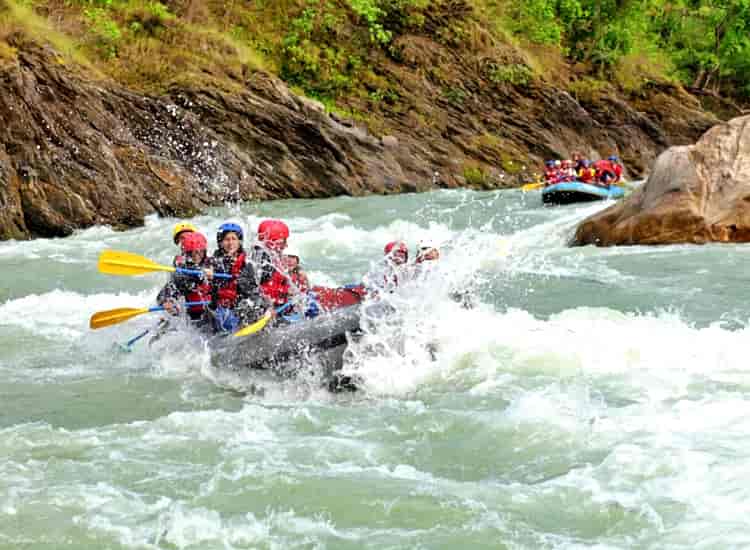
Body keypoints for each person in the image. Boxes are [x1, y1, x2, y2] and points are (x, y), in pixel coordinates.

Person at [210, 222, 270, 333]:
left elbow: (257, 281)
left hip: (242, 302)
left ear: (239, 241)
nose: (230, 243)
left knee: (255, 304)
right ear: (221, 242)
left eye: (234, 239)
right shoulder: (214, 261)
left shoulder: (248, 259)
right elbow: (205, 269)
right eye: (227, 239)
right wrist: (209, 273)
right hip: (223, 308)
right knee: (226, 318)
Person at [157, 231, 212, 323]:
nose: (196, 256)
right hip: (192, 317)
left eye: (200, 252)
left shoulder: (213, 264)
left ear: (205, 251)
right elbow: (163, 294)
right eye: (192, 253)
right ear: (186, 253)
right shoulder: (181, 273)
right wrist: (166, 302)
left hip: (211, 311)